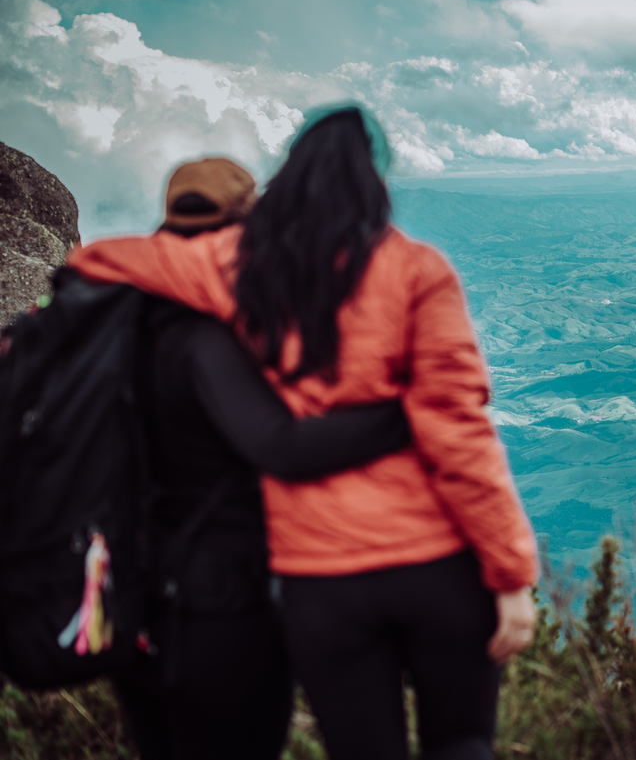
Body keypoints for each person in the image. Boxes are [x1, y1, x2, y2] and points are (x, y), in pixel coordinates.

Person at [69, 105, 539, 760]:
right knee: (461, 742)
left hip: (321, 582)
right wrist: (511, 573)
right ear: (376, 180)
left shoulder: (238, 266)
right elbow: (460, 432)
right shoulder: (418, 270)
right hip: (437, 562)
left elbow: (111, 257)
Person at [109, 157, 414, 760]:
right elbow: (281, 446)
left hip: (131, 601)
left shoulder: (123, 311)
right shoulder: (199, 329)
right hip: (217, 611)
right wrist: (405, 410)